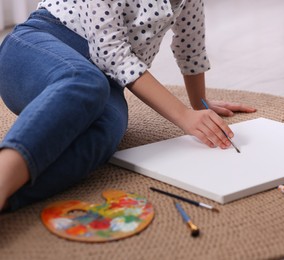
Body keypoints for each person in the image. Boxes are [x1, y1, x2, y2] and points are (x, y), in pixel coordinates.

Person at [0, 0, 256, 212]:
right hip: (37, 47)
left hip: (103, 79)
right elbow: (111, 53)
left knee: (109, 128)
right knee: (85, 80)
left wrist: (200, 105)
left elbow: (191, 48)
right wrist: (184, 116)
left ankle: (12, 197)